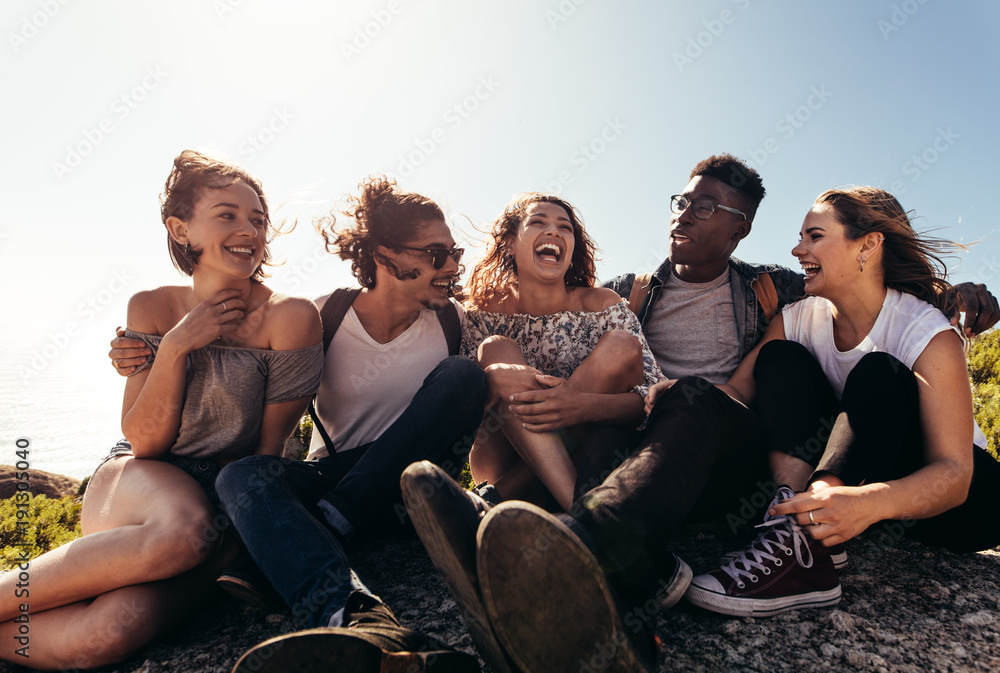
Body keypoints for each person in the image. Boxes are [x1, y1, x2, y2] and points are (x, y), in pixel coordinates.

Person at [400, 154, 1000, 673]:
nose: (682, 213)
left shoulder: (784, 291)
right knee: (671, 410)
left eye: (704, 207)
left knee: (867, 375)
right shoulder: (642, 293)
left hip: (904, 486)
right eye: (681, 200)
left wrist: (954, 294)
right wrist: (664, 404)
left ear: (740, 229)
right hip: (671, 444)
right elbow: (730, 394)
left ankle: (577, 546)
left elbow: (948, 461)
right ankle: (603, 585)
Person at [116, 175, 484, 672]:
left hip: (411, 490)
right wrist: (140, 352)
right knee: (241, 475)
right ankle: (357, 617)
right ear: (384, 255)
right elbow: (254, 393)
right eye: (436, 254)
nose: (452, 266)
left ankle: (332, 519)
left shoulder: (457, 322)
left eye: (455, 252)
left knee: (464, 375)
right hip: (332, 480)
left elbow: (534, 317)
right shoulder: (324, 316)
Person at [0, 150, 324, 670]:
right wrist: (175, 346)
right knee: (183, 530)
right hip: (137, 480)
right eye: (227, 214)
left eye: (257, 219)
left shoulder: (290, 317)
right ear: (180, 229)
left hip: (228, 503)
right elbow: (146, 443)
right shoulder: (150, 307)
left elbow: (265, 456)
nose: (249, 230)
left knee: (101, 638)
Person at [681, 186, 1000, 617]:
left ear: (867, 244)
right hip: (859, 474)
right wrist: (673, 398)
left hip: (959, 501)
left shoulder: (925, 330)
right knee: (780, 358)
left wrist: (868, 503)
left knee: (878, 373)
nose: (797, 249)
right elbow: (737, 392)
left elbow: (955, 473)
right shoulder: (800, 317)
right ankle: (798, 522)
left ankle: (806, 544)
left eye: (814, 236)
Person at [460, 193, 663, 511]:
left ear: (571, 252)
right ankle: (587, 521)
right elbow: (466, 408)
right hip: (502, 456)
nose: (554, 231)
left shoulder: (604, 305)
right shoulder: (483, 312)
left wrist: (580, 405)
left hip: (587, 449)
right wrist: (495, 380)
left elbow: (650, 403)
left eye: (564, 227)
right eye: (538, 222)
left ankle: (505, 499)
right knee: (496, 348)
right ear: (511, 243)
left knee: (622, 345)